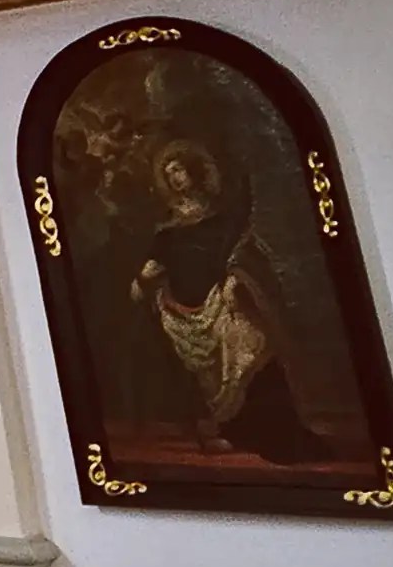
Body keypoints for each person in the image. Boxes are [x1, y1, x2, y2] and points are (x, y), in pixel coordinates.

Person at [128, 138, 320, 462]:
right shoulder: (167, 232)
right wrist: (141, 281)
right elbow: (151, 269)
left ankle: (278, 430)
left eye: (179, 169)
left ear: (195, 171)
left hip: (223, 302)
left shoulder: (223, 219)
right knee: (210, 373)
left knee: (252, 345)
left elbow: (240, 253)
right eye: (169, 172)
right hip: (182, 313)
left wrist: (235, 278)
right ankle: (234, 431)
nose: (175, 178)